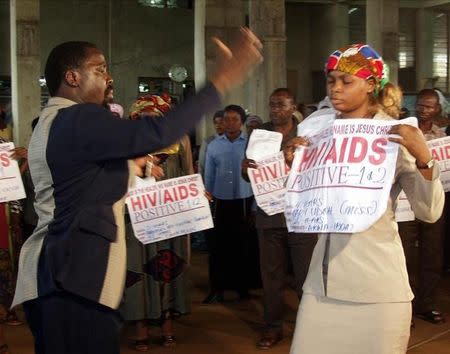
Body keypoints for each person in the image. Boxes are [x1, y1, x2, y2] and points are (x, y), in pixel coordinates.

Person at [12, 30, 262, 354]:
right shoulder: (76, 117)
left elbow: (81, 181)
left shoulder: (55, 121)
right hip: (73, 278)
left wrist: (128, 166)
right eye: (99, 69)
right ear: (72, 77)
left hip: (60, 274)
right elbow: (160, 131)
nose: (108, 77)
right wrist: (220, 81)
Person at [285, 44, 444, 354]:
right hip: (321, 287)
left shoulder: (395, 135)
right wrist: (294, 167)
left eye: (346, 81)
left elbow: (429, 211)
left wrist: (425, 158)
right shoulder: (317, 133)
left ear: (371, 84)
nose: (335, 89)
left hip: (378, 290)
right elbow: (301, 205)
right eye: (331, 80)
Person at [241, 88, 317, 350]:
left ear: (292, 106)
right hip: (269, 216)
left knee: (305, 276)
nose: (275, 109)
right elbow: (247, 173)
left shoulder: (308, 133)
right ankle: (272, 328)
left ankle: (309, 327)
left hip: (302, 216)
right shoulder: (258, 133)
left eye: (281, 105)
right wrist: (244, 170)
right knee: (271, 277)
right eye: (272, 105)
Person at [121, 94, 194, 350]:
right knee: (139, 269)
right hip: (137, 220)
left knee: (166, 267)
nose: (150, 121)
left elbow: (189, 174)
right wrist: (141, 169)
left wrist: (197, 194)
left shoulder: (179, 140)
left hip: (169, 218)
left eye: (156, 117)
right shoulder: (128, 144)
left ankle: (167, 324)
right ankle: (140, 326)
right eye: (145, 117)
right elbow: (118, 179)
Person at [398, 89, 446, 324]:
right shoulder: (405, 131)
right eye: (420, 105)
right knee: (403, 256)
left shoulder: (443, 136)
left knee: (431, 255)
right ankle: (403, 308)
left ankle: (426, 305)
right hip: (404, 204)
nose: (423, 109)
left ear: (438, 109)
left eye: (429, 106)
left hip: (432, 200)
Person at [203, 104, 259, 302]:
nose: (230, 123)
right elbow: (208, 176)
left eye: (235, 119)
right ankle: (217, 288)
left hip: (244, 201)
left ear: (242, 122)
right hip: (220, 202)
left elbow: (258, 176)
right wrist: (206, 203)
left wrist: (254, 207)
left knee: (242, 247)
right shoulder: (214, 146)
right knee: (218, 247)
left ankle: (242, 288)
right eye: (226, 119)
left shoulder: (250, 145)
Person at [198, 110, 225, 178]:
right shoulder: (208, 142)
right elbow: (201, 165)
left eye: (221, 122)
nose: (218, 125)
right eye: (216, 123)